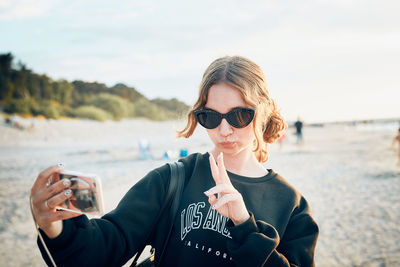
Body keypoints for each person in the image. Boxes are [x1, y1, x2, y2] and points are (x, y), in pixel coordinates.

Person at [30, 56, 319, 266]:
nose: (224, 130)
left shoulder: (291, 205)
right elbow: (107, 245)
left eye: (239, 115)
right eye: (211, 117)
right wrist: (55, 226)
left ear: (263, 111)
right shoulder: (172, 180)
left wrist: (244, 225)